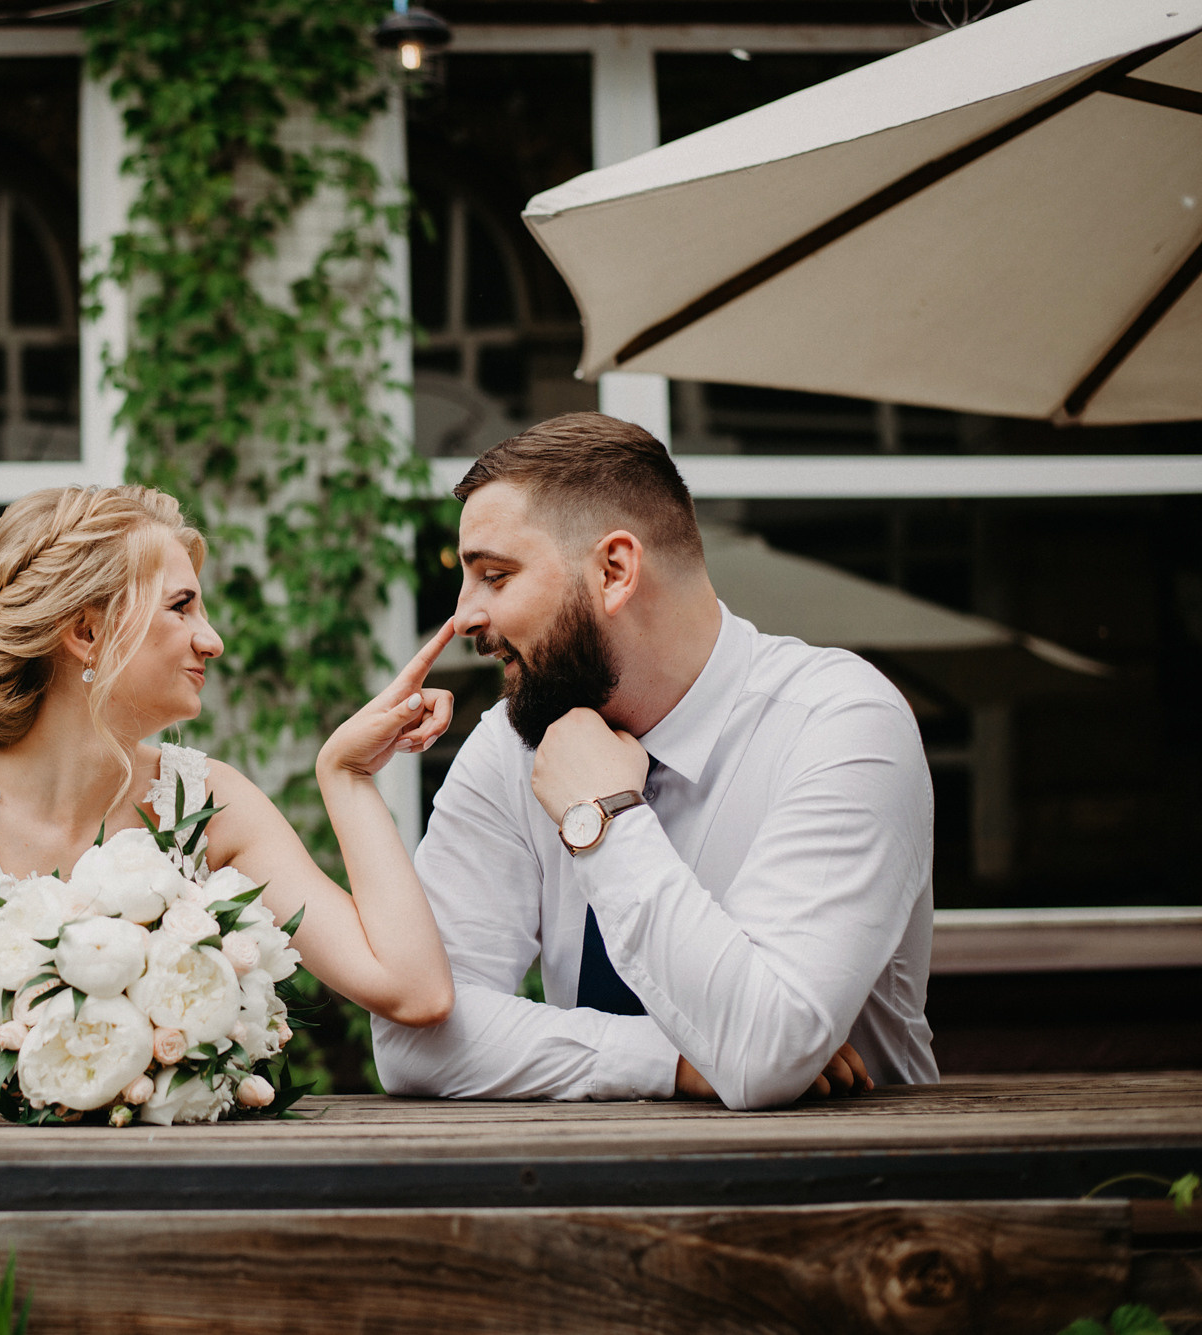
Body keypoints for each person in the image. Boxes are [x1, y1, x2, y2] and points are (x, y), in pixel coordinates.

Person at [0, 483, 457, 1292]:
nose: (210, 639)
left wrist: (345, 775)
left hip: (157, 1244)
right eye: (181, 606)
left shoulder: (210, 802)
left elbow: (412, 988)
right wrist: (44, 1064)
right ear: (84, 629)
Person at [372, 412, 939, 1112]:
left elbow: (768, 1052)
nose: (464, 618)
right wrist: (667, 1057)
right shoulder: (510, 743)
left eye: (495, 575)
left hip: (857, 1198)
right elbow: (413, 1039)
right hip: (586, 1198)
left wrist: (603, 817)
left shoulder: (841, 725)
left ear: (614, 570)